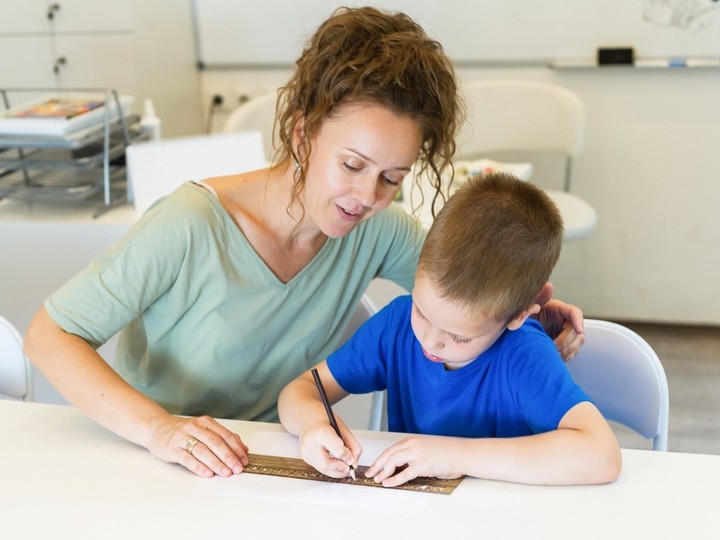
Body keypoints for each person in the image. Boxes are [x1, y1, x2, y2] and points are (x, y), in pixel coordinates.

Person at [23, 6, 584, 480]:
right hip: (158, 462)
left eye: (392, 178)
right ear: (301, 133)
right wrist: (157, 428)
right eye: (352, 164)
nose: (367, 196)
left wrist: (526, 307)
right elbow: (51, 334)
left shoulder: (376, 230)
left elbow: (465, 291)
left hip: (267, 466)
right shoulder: (191, 223)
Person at [279, 172, 621, 486]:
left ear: (518, 317)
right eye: (421, 310)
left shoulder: (523, 353)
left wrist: (452, 455)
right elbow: (301, 390)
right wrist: (312, 424)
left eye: (459, 336)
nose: (430, 340)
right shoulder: (397, 326)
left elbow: (601, 455)